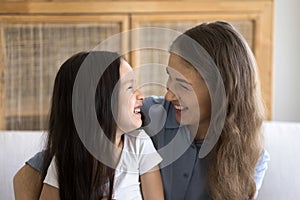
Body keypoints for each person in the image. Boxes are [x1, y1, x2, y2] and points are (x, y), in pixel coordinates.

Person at [14, 21, 269, 200]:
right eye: (169, 78)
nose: (168, 95)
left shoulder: (251, 159)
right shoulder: (145, 115)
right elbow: (35, 171)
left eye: (182, 85)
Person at [13, 51, 164, 200]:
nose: (141, 95)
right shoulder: (65, 160)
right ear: (98, 101)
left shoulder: (139, 144)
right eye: (130, 87)